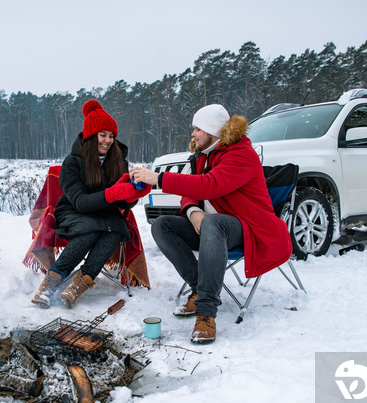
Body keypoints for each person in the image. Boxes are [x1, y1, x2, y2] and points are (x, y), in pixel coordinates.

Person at [130, 104, 292, 343]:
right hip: (209, 230)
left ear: (213, 131)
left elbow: (210, 185)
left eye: (198, 129)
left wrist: (159, 178)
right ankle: (199, 288)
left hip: (249, 228)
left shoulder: (241, 154)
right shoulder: (202, 156)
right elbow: (191, 190)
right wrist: (194, 212)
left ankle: (206, 312)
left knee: (214, 223)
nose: (193, 134)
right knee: (162, 225)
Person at [32, 100, 151, 308]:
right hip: (73, 209)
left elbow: (122, 200)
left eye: (111, 135)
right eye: (102, 135)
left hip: (106, 211)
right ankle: (50, 283)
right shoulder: (73, 162)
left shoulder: (118, 160)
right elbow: (80, 201)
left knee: (115, 230)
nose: (108, 140)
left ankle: (80, 283)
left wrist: (132, 195)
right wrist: (112, 193)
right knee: (90, 230)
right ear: (90, 135)